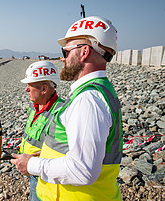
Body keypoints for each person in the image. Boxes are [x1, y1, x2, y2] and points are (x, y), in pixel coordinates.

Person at [11, 16, 123, 200]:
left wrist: (32, 165)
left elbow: (84, 170)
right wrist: (46, 155)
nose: (62, 58)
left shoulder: (88, 99)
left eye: (66, 51)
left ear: (84, 52)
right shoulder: (97, 93)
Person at [19, 61, 64, 200]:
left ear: (44, 89)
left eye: (29, 85)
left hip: (45, 176)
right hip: (31, 171)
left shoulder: (61, 113)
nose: (26, 89)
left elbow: (62, 152)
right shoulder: (33, 105)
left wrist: (31, 161)